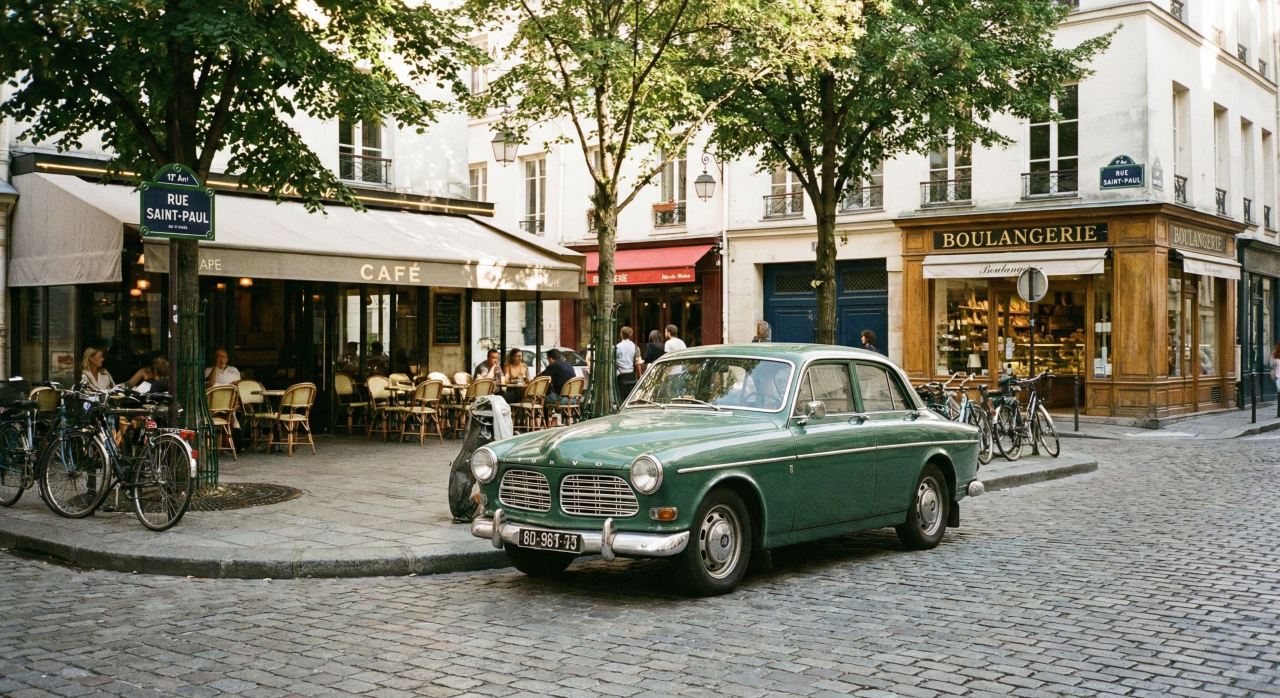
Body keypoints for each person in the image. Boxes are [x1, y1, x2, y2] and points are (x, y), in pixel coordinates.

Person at [616, 327, 638, 400]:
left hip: (620, 375)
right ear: (631, 335)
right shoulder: (635, 347)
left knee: (621, 397)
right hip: (631, 374)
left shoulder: (617, 347)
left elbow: (614, 361)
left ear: (621, 334)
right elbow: (638, 361)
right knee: (630, 398)